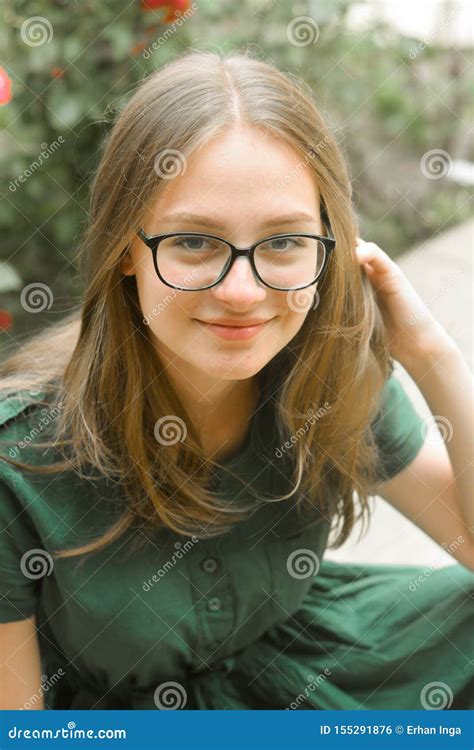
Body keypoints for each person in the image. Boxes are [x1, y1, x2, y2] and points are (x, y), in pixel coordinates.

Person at [0, 49, 472, 711]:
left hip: (303, 671)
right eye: (194, 242)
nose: (243, 292)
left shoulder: (323, 375)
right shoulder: (16, 465)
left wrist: (432, 355)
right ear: (125, 250)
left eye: (284, 241)